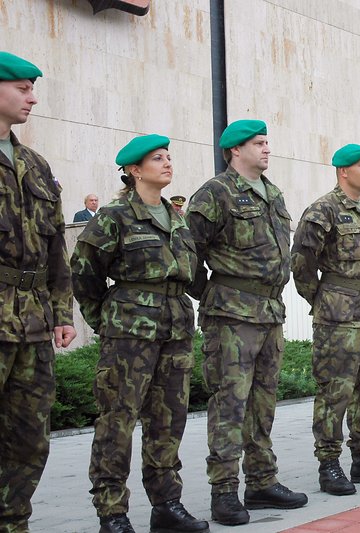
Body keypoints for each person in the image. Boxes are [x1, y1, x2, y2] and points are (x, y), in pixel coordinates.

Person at [71, 134, 208, 533]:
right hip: (129, 333)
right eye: (157, 159)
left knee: (169, 419)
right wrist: (107, 322)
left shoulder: (176, 216)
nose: (167, 163)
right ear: (134, 171)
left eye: (168, 157)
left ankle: (166, 504)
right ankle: (112, 511)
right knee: (118, 419)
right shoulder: (114, 216)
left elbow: (189, 272)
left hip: (176, 328)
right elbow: (85, 273)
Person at [186, 120, 307, 525]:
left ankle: (261, 481)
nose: (267, 148)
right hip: (232, 316)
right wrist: (213, 294)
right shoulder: (215, 193)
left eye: (268, 141)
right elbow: (188, 253)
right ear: (235, 150)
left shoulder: (272, 193)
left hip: (270, 312)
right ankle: (224, 491)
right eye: (259, 143)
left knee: (262, 403)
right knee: (229, 405)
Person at [291, 144, 360, 496]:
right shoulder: (323, 209)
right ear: (344, 171)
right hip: (338, 316)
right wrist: (323, 299)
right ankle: (329, 464)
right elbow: (301, 260)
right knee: (334, 392)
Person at [0, 51, 76, 533]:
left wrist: (62, 312)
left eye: (33, 87)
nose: (33, 97)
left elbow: (56, 250)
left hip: (31, 320)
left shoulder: (35, 164)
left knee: (29, 436)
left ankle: (13, 522)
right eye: (23, 88)